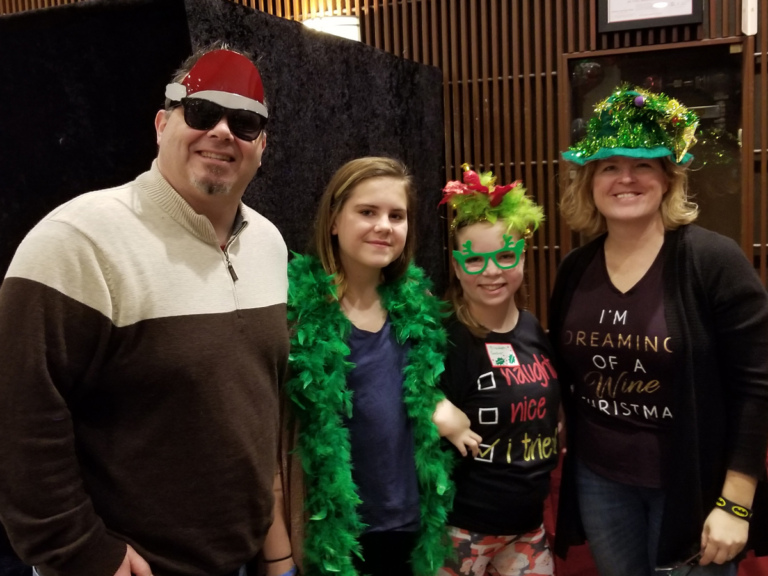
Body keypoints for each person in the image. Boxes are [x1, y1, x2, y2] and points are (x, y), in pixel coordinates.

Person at [0, 45, 295, 576]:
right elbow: (18, 419)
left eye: (244, 122)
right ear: (163, 123)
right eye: (202, 113)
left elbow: (257, 413)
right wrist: (83, 555)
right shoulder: (77, 238)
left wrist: (275, 555)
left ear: (262, 144)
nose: (223, 132)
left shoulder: (271, 245)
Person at [550, 85, 768, 576]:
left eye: (644, 163)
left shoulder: (713, 261)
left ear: (668, 178)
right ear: (589, 182)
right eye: (609, 166)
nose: (625, 178)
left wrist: (736, 503)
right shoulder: (574, 268)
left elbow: (756, 387)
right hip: (600, 479)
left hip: (691, 483)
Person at [281, 156, 480, 576]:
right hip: (334, 531)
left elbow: (407, 388)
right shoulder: (297, 315)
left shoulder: (416, 309)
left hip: (409, 522)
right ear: (334, 221)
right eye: (367, 212)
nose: (384, 226)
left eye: (397, 215)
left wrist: (439, 407)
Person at [435, 166, 560, 576]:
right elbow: (395, 394)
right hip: (462, 531)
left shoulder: (532, 329)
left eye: (505, 256)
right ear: (456, 266)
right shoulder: (446, 338)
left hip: (528, 527)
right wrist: (433, 406)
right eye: (474, 260)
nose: (492, 272)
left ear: (522, 257)